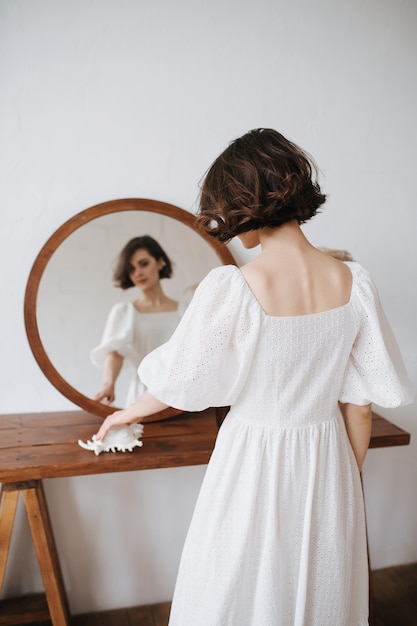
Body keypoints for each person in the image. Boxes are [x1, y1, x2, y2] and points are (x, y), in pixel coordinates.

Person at [94, 129, 415, 625]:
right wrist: (342, 480)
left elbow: (184, 377)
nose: (226, 225)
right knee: (317, 587)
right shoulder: (355, 281)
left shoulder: (235, 286)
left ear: (249, 202)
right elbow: (362, 403)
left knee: (234, 585)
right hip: (327, 452)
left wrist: (126, 414)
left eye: (226, 210)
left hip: (252, 458)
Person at [91, 235, 186, 407]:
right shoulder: (125, 312)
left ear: (160, 262)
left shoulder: (186, 310)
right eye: (131, 269)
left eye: (143, 264)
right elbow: (115, 351)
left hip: (182, 396)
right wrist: (108, 384)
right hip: (142, 396)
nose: (138, 273)